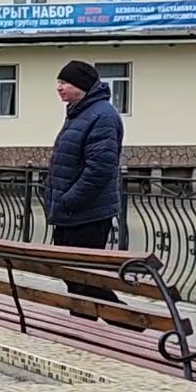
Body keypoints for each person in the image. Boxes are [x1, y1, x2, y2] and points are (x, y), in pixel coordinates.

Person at [46, 60, 124, 305]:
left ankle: (134, 326)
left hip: (86, 215)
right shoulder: (80, 112)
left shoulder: (101, 116)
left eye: (65, 82)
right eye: (58, 82)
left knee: (86, 281)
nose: (59, 88)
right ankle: (82, 328)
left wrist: (68, 201)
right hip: (69, 214)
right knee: (72, 278)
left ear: (82, 85)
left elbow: (99, 170)